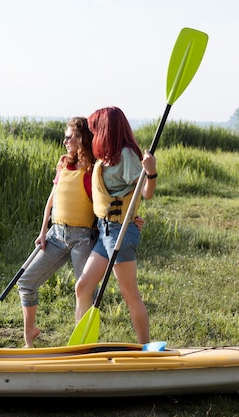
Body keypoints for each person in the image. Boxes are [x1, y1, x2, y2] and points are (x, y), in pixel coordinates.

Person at [74, 106, 157, 344]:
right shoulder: (105, 156)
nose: (92, 133)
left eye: (94, 128)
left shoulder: (126, 155)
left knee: (130, 295)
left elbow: (146, 192)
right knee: (83, 287)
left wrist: (151, 173)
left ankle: (145, 346)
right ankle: (83, 344)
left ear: (105, 129)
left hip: (120, 232)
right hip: (105, 232)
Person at [17, 117, 97, 348]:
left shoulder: (93, 168)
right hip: (56, 235)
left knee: (85, 290)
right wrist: (43, 232)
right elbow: (51, 200)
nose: (65, 141)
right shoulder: (63, 163)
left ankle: (82, 342)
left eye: (69, 137)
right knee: (27, 281)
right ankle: (29, 333)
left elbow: (102, 205)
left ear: (82, 139)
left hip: (82, 238)